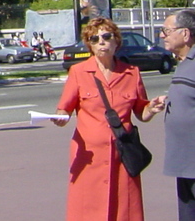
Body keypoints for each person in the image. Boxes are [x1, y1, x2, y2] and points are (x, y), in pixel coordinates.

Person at [53, 16, 163, 221]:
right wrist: (61, 118)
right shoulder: (78, 72)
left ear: (116, 41)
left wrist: (152, 108)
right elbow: (64, 109)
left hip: (122, 156)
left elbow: (141, 112)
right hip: (89, 159)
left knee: (124, 210)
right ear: (89, 45)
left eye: (106, 36)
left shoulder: (132, 73)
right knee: (87, 211)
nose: (101, 42)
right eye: (94, 39)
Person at [155, 9, 195, 221]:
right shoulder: (185, 61)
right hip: (185, 163)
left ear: (185, 34)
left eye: (166, 30)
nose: (162, 35)